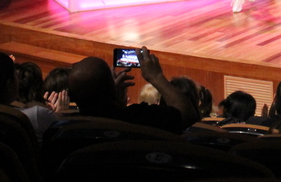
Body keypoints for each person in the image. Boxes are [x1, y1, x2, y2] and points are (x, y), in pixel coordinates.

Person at [67, 47, 197, 133]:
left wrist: (114, 100)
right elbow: (187, 115)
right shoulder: (139, 118)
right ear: (112, 89)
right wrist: (156, 77)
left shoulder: (66, 125)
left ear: (71, 95)